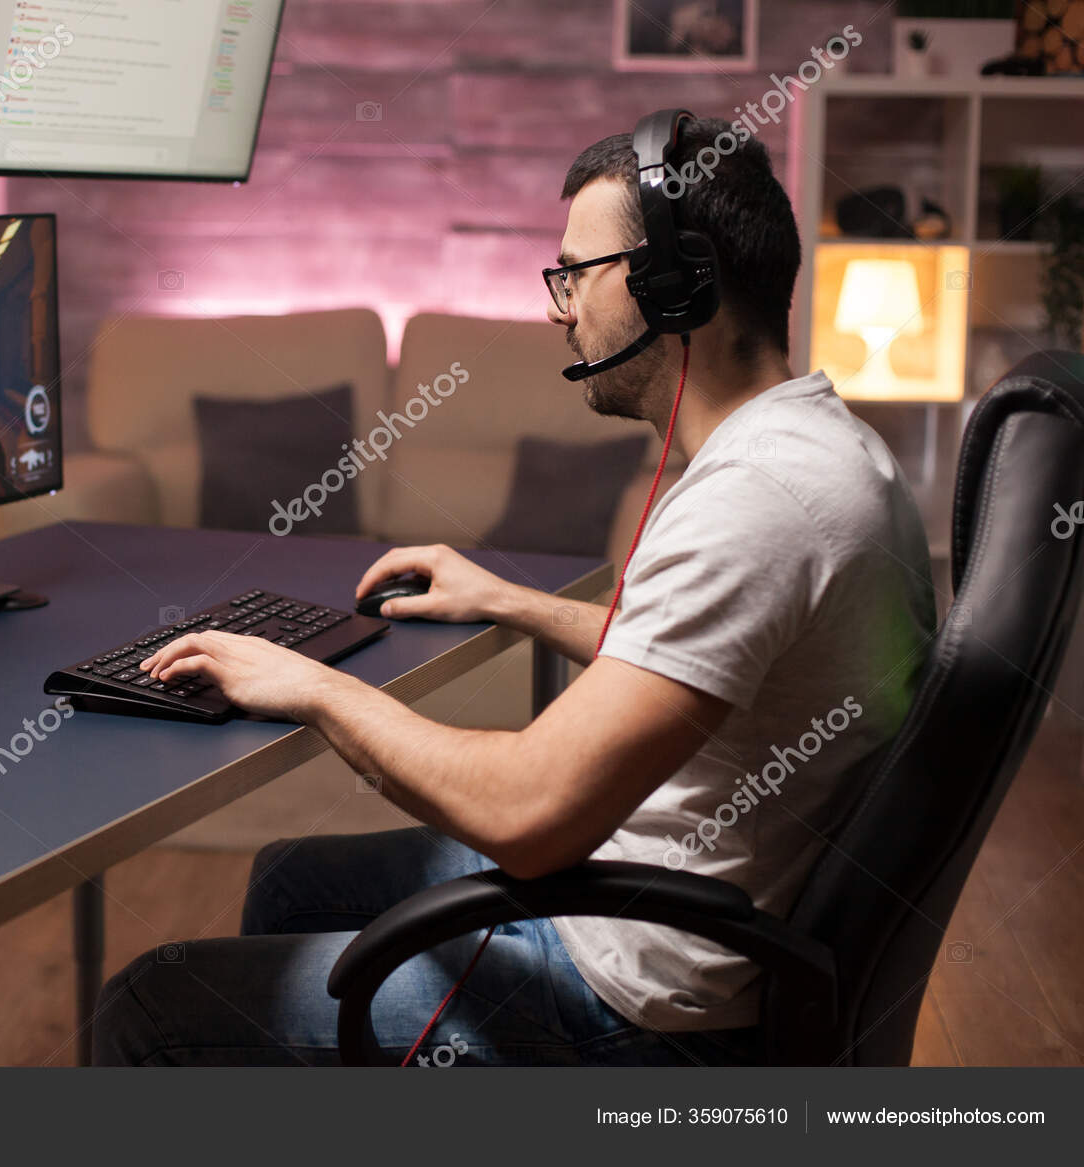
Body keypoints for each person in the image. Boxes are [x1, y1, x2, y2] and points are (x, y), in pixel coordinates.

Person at [91, 116, 937, 1067]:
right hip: (672, 903)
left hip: (639, 998)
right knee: (291, 879)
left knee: (149, 1004)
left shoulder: (760, 501)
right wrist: (516, 600)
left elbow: (528, 819)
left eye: (576, 272)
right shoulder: (821, 446)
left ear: (674, 281)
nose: (556, 307)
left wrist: (311, 684)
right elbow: (710, 664)